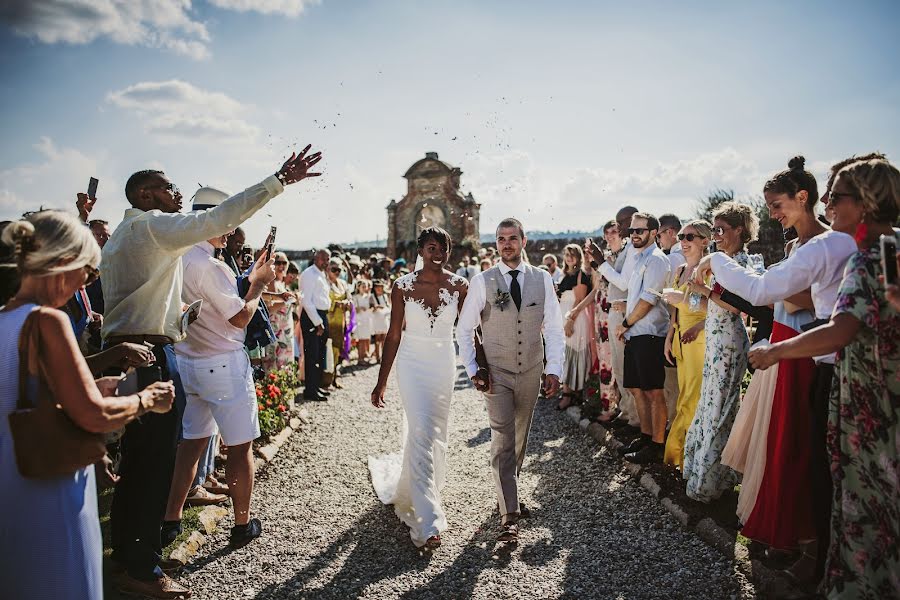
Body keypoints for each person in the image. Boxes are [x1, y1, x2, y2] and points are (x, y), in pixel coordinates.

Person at [101, 145, 321, 598]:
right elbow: (215, 221)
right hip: (151, 356)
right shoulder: (153, 228)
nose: (177, 191)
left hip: (142, 349)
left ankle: (131, 554)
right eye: (168, 186)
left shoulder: (125, 235)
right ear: (145, 194)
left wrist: (180, 321)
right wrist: (278, 180)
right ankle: (140, 570)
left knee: (145, 462)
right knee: (152, 466)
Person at [696, 161, 858, 582]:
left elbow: (781, 296)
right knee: (780, 443)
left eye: (777, 204)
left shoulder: (830, 245)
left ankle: (814, 548)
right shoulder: (797, 248)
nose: (772, 213)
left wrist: (717, 263)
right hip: (785, 346)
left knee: (803, 448)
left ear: (802, 198)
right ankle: (797, 539)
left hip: (809, 352)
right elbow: (776, 297)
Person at [0, 211, 174, 600]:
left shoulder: (5, 319)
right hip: (48, 481)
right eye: (89, 272)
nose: (87, 281)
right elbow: (91, 414)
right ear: (64, 263)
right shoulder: (48, 320)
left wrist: (89, 386)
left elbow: (21, 396)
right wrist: (146, 400)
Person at [748, 157, 899, 598]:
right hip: (886, 392)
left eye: (837, 197)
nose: (828, 206)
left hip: (864, 397)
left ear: (866, 202)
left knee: (856, 493)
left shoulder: (869, 256)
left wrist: (776, 351)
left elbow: (843, 328)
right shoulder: (893, 249)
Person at [164, 187, 276, 551]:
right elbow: (239, 318)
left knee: (191, 444)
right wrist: (257, 285)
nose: (230, 232)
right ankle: (242, 524)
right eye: (227, 224)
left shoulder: (176, 258)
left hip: (188, 360)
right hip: (222, 364)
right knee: (241, 447)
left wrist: (246, 279)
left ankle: (171, 519)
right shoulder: (210, 266)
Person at [457, 218, 565, 543]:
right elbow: (464, 329)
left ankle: (508, 492)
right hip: (497, 374)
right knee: (503, 438)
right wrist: (474, 368)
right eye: (501, 239)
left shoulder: (542, 279)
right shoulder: (482, 281)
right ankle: (510, 517)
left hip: (531, 370)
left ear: (524, 240)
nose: (507, 244)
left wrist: (555, 369)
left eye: (512, 238)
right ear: (496, 245)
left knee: (520, 435)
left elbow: (556, 330)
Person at [369, 227, 468, 549]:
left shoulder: (460, 286)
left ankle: (426, 488)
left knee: (436, 433)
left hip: (443, 362)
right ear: (421, 250)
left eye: (442, 248)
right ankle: (428, 522)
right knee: (422, 429)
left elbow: (469, 333)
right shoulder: (402, 286)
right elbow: (394, 334)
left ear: (449, 251)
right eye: (430, 247)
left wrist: (480, 368)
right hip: (411, 363)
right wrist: (381, 381)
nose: (436, 253)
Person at [682, 202, 756, 502]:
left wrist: (705, 292)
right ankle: (711, 474)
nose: (716, 235)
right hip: (714, 339)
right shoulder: (720, 261)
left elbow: (740, 306)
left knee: (721, 408)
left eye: (721, 229)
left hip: (729, 343)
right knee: (710, 404)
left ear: (739, 229)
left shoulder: (742, 264)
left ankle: (712, 482)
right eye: (714, 230)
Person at [608, 212, 671, 464]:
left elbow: (648, 300)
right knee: (635, 388)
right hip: (636, 332)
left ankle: (656, 445)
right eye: (632, 230)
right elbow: (636, 297)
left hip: (650, 333)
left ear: (653, 233)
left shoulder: (656, 260)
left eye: (640, 231)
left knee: (653, 391)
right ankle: (645, 437)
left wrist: (625, 324)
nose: (633, 234)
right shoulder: (639, 257)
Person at [661, 220, 711, 468]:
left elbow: (717, 307)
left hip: (699, 338)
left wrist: (683, 300)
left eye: (690, 237)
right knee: (683, 396)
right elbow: (674, 309)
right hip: (680, 338)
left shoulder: (710, 271)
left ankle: (680, 458)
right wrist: (669, 336)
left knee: (691, 398)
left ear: (705, 241)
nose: (683, 240)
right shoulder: (680, 270)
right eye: (681, 235)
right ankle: (681, 458)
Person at [597, 206, 641, 433]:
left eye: (621, 222)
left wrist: (600, 263)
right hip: (614, 313)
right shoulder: (625, 249)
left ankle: (635, 420)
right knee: (618, 367)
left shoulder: (634, 250)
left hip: (626, 314)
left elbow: (623, 283)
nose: (617, 227)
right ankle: (625, 412)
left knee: (626, 367)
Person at [557, 243, 593, 410]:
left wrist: (570, 321)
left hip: (575, 318)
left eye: (573, 254)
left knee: (573, 354)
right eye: (566, 254)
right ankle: (571, 392)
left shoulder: (580, 275)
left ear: (579, 257)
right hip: (564, 316)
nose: (569, 257)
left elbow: (579, 301)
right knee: (566, 355)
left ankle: (569, 393)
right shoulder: (565, 275)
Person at [299, 249, 331, 400]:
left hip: (322, 315)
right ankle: (310, 390)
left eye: (328, 259)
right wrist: (318, 322)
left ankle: (316, 386)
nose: (326, 262)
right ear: (316, 258)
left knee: (320, 355)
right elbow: (306, 301)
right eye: (324, 259)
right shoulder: (309, 274)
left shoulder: (320, 273)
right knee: (312, 355)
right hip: (313, 317)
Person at [263, 251, 298, 370]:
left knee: (285, 366)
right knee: (274, 367)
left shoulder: (282, 283)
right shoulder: (271, 282)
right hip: (275, 331)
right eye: (278, 262)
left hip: (286, 331)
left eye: (284, 262)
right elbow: (269, 309)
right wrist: (286, 301)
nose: (281, 266)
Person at [324, 258, 351, 388]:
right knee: (329, 349)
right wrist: (336, 304)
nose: (337, 272)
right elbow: (323, 303)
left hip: (341, 322)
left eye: (339, 270)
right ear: (327, 269)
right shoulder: (324, 283)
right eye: (334, 269)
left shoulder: (342, 283)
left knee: (338, 349)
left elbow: (350, 299)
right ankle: (326, 379)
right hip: (329, 322)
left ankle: (334, 377)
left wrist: (347, 303)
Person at [352, 279, 374, 364]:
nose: (365, 288)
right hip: (359, 320)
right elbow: (354, 309)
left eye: (366, 286)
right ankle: (360, 358)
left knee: (366, 338)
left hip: (367, 319)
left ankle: (365, 355)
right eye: (363, 286)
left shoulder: (368, 296)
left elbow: (371, 307)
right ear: (358, 287)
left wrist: (371, 309)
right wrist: (360, 308)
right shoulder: (355, 297)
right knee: (361, 339)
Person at [370, 279, 391, 362]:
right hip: (376, 319)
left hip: (384, 319)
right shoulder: (372, 297)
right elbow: (371, 308)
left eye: (380, 287)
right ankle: (378, 356)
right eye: (377, 287)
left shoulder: (385, 296)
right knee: (377, 339)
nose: (379, 289)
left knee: (384, 339)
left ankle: (384, 356)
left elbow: (388, 306)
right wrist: (376, 307)